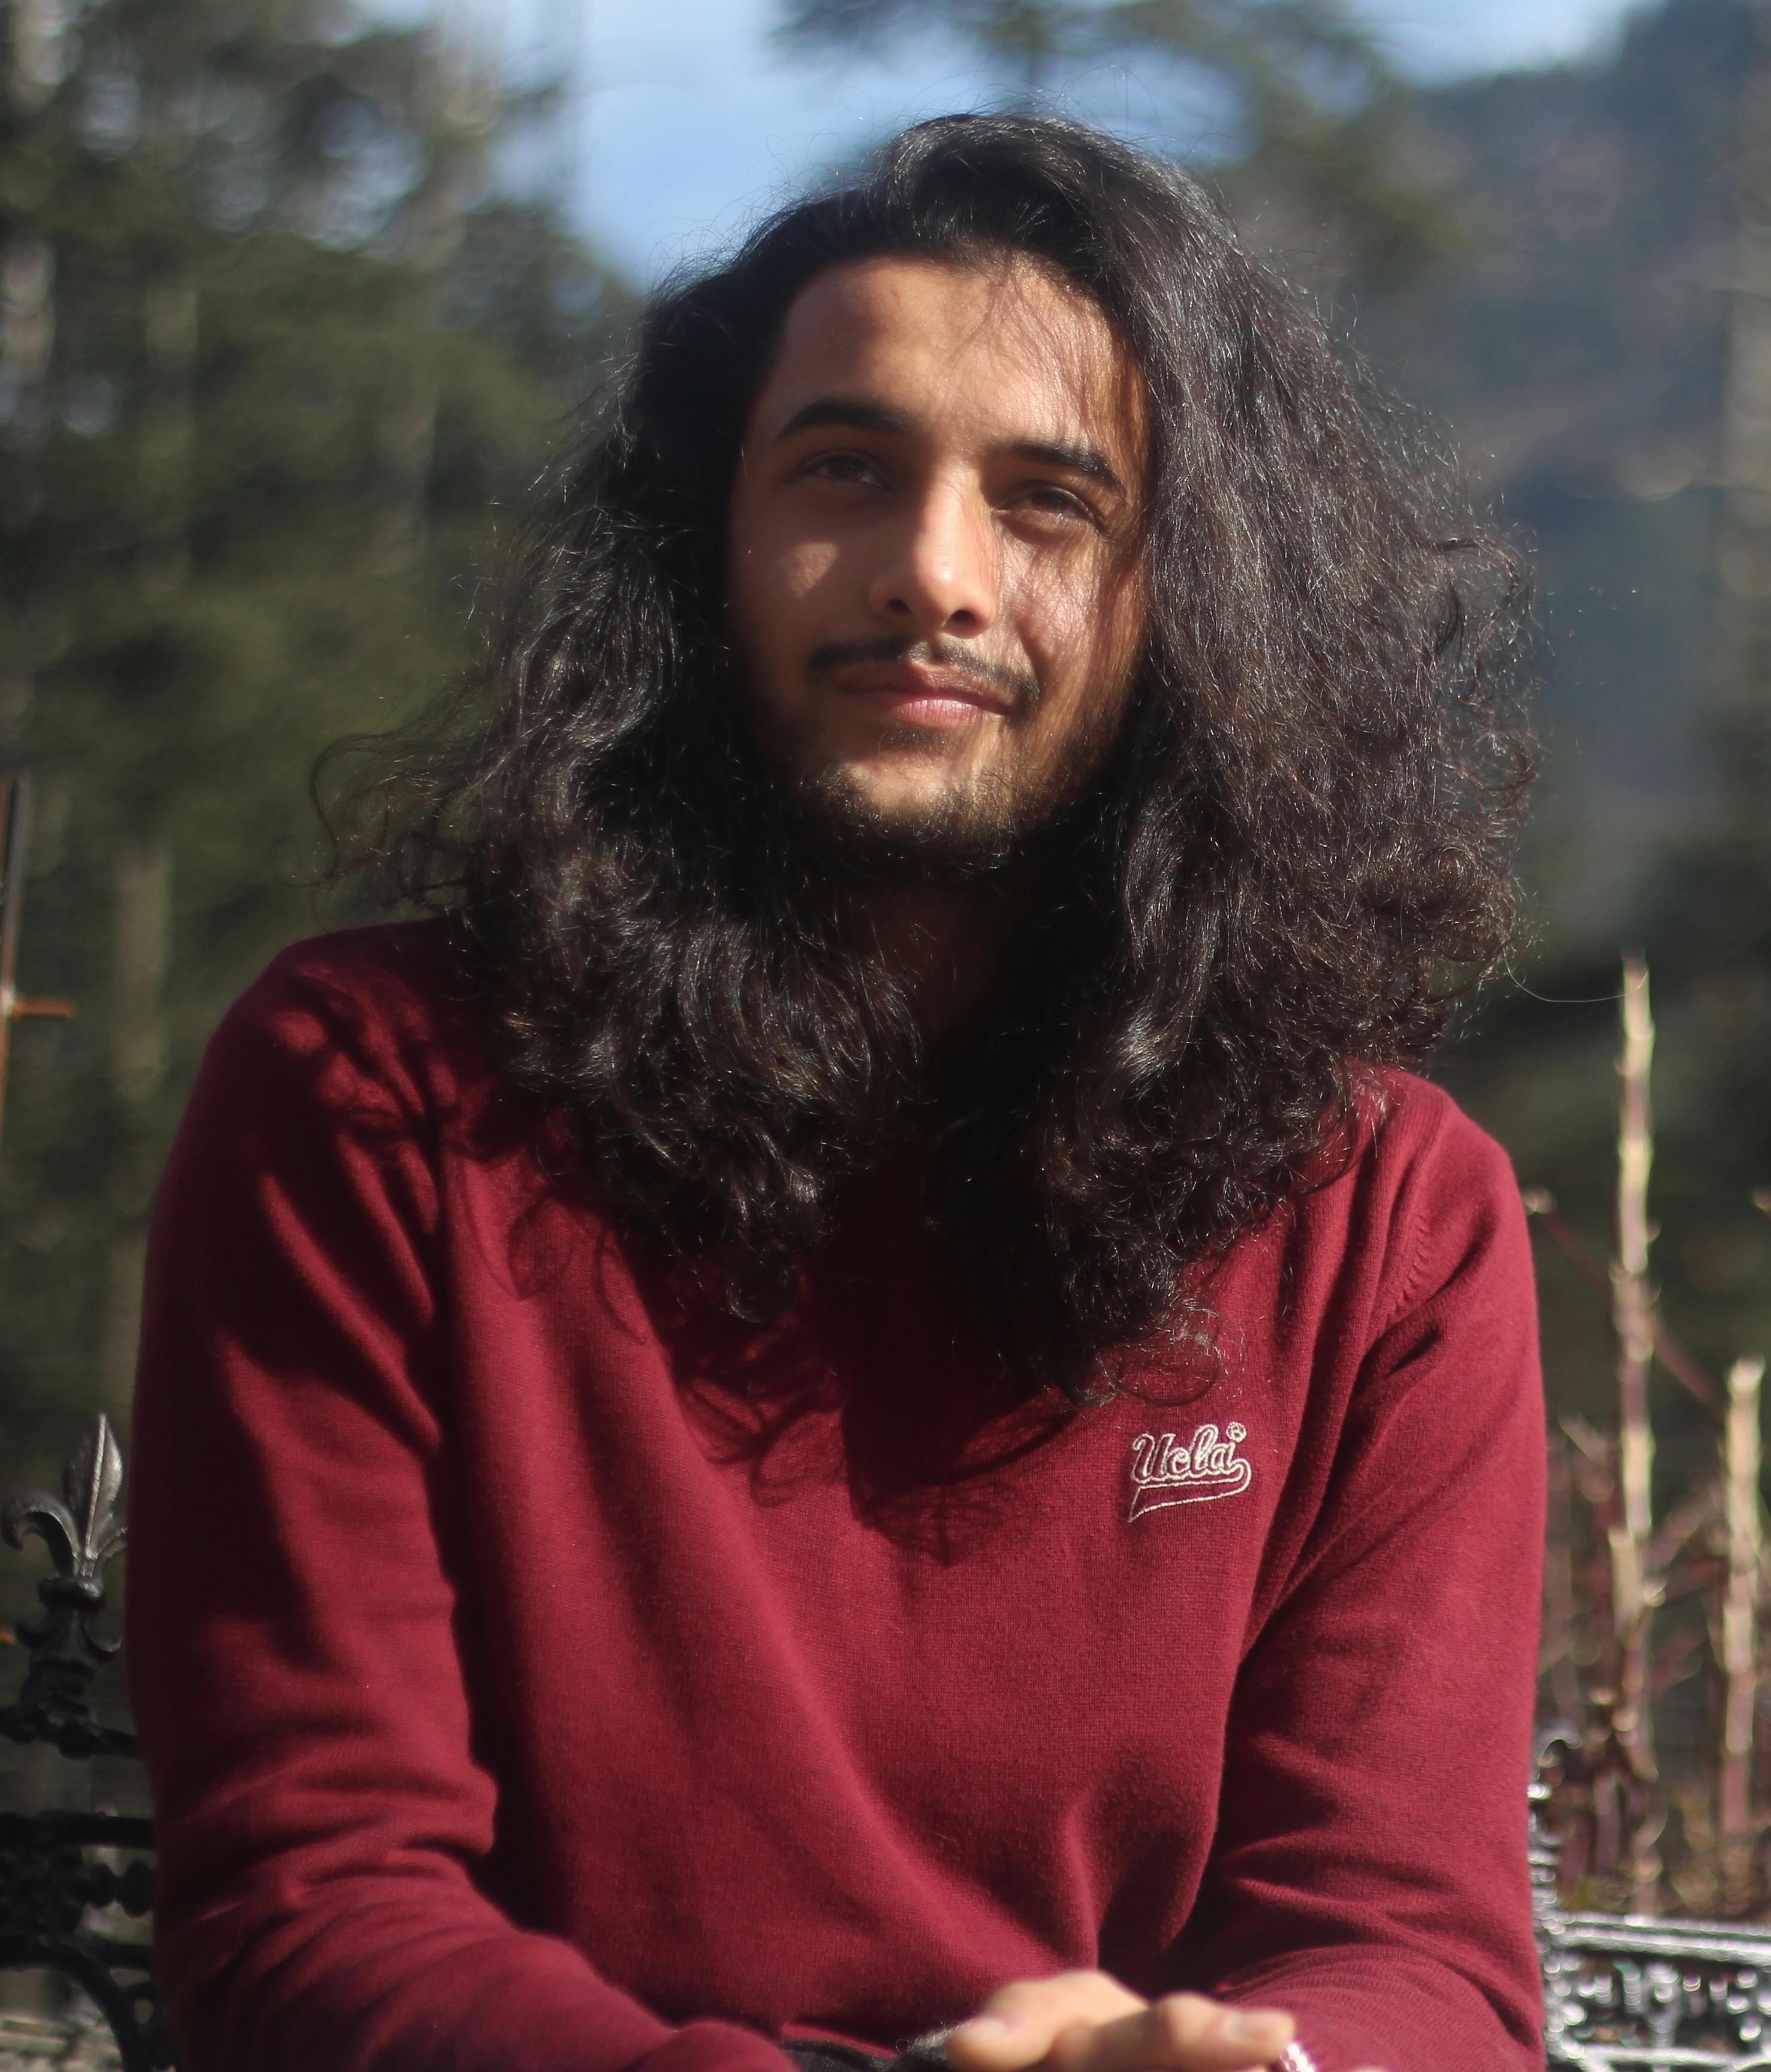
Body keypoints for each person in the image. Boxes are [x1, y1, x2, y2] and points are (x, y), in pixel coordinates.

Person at [125, 115, 1544, 2072]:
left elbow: (1420, 1963)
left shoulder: (1385, 1215)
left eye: (1049, 501)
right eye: (845, 472)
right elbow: (311, 1914)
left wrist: (1264, 2065)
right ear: (705, 538)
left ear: (1189, 603)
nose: (932, 574)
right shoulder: (377, 1098)